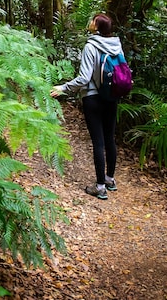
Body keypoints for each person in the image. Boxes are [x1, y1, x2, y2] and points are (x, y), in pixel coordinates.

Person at [50, 12, 122, 200]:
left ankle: (99, 187)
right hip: (112, 97)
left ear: (96, 27)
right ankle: (110, 179)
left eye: (93, 21)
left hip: (93, 98)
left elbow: (84, 78)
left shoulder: (91, 46)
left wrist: (64, 88)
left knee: (98, 141)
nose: (90, 22)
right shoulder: (116, 44)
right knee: (109, 139)